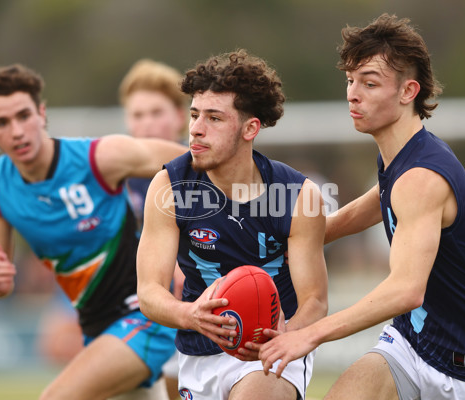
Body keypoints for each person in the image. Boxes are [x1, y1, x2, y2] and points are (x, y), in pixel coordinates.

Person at [259, 14, 465, 400]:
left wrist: (309, 333)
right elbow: (371, 205)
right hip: (412, 342)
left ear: (407, 91)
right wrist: (296, 238)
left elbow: (405, 290)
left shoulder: (420, 178)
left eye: (369, 83)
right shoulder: (398, 155)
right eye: (350, 81)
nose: (352, 94)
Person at [0, 63, 187, 400]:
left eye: (24, 115)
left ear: (42, 113)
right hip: (95, 327)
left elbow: (198, 163)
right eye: (1, 123)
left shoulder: (100, 157)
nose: (17, 131)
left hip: (145, 315)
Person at [136, 49, 329, 400]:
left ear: (249, 128)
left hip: (271, 353)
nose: (195, 129)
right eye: (194, 115)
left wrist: (288, 333)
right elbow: (149, 292)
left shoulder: (298, 195)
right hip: (199, 352)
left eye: (214, 118)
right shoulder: (168, 188)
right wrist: (191, 314)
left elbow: (315, 299)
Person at [118, 58, 188, 400]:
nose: (146, 123)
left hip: (193, 307)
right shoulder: (113, 179)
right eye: (137, 115)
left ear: (179, 116)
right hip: (129, 313)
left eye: (155, 112)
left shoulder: (208, 172)